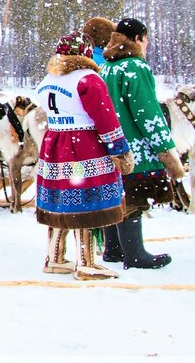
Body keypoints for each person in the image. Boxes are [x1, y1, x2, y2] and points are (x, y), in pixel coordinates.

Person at [33, 31, 133, 280]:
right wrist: (120, 149)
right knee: (85, 200)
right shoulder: (88, 79)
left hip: (54, 144)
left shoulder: (49, 79)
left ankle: (54, 256)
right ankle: (86, 263)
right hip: (83, 146)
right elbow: (105, 118)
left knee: (59, 200)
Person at [99, 17, 184, 269]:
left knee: (116, 195)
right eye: (145, 39)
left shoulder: (106, 68)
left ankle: (113, 249)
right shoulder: (135, 68)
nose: (147, 44)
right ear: (137, 39)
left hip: (109, 144)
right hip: (133, 146)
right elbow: (148, 113)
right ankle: (135, 255)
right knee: (134, 199)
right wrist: (165, 150)